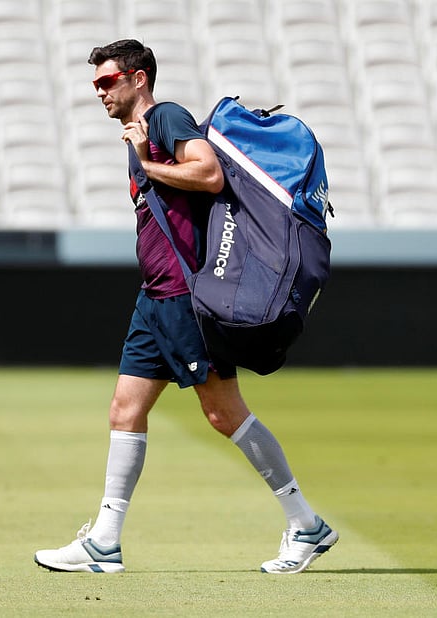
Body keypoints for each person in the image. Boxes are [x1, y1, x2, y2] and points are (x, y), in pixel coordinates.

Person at [34, 39, 337, 575]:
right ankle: (104, 541)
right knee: (125, 411)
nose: (99, 92)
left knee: (223, 413)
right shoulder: (140, 136)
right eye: (96, 84)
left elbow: (209, 173)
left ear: (139, 79)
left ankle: (306, 523)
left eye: (108, 81)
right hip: (154, 297)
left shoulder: (166, 118)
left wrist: (150, 165)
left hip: (182, 297)